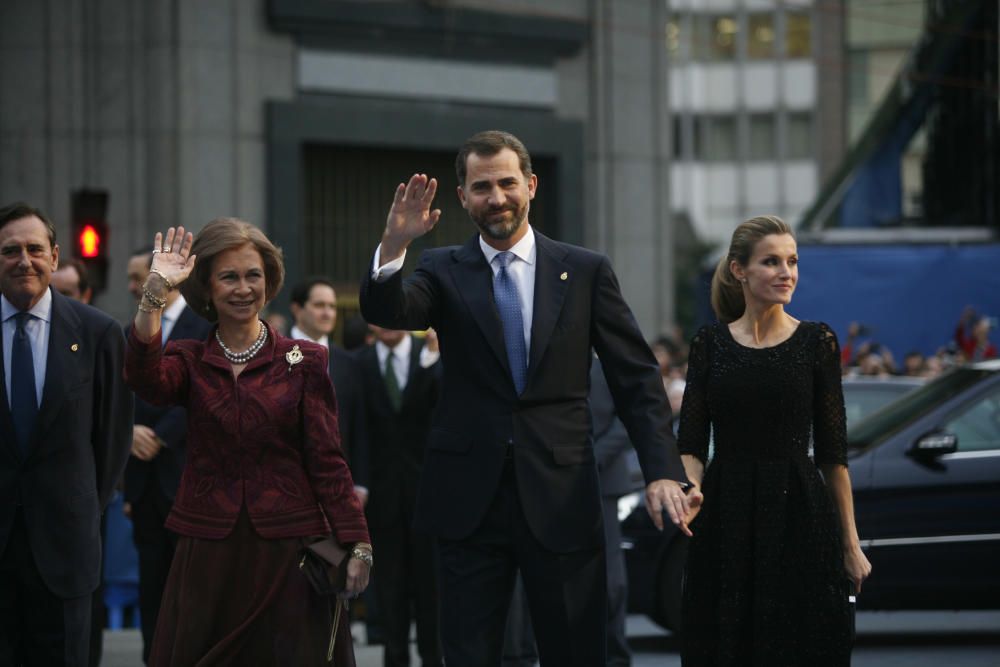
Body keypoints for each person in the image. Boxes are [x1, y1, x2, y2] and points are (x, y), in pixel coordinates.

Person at [360, 130, 692, 665]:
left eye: (508, 183)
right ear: (463, 197)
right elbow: (390, 312)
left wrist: (660, 468)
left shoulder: (584, 271)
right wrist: (395, 246)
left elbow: (636, 377)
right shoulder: (441, 269)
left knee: (575, 651)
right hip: (467, 501)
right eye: (482, 186)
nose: (497, 198)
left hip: (562, 493)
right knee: (468, 654)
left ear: (531, 185)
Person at [124, 219, 372, 665]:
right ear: (208, 287)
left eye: (252, 275)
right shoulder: (189, 358)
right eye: (229, 277)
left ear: (269, 280)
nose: (243, 288)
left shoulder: (306, 361)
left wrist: (357, 542)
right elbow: (145, 380)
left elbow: (327, 459)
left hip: (287, 551)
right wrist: (155, 289)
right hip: (208, 551)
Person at [677, 215, 871, 665]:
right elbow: (691, 442)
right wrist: (691, 489)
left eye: (792, 261)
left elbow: (832, 455)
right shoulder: (710, 343)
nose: (787, 273)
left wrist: (850, 544)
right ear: (739, 270)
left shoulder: (816, 342)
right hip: (725, 516)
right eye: (772, 262)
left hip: (801, 513)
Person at [0, 202, 132, 666]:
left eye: (35, 249)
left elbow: (113, 439)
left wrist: (80, 510)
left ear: (55, 257)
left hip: (65, 551)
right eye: (10, 250)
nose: (24, 260)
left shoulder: (98, 333)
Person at [122, 247, 211, 663]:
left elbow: (203, 392)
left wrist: (160, 435)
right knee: (151, 585)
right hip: (144, 485)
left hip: (189, 478)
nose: (131, 286)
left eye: (138, 276)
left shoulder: (204, 327)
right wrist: (130, 433)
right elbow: (122, 394)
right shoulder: (130, 331)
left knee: (195, 588)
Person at [357, 324, 443, 667]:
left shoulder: (434, 359)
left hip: (430, 496)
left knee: (432, 589)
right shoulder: (358, 363)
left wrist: (434, 358)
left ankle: (433, 658)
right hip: (380, 498)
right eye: (380, 317)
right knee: (389, 591)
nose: (388, 324)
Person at [289, 277, 370, 506]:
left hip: (337, 487)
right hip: (285, 484)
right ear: (297, 308)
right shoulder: (273, 354)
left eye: (332, 306)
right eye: (319, 305)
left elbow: (358, 423)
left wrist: (361, 483)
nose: (328, 313)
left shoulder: (348, 362)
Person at [590, 357, 643, 666]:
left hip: (603, 481)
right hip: (551, 483)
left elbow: (627, 417)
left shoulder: (608, 365)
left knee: (611, 580)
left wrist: (594, 457)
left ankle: (616, 657)